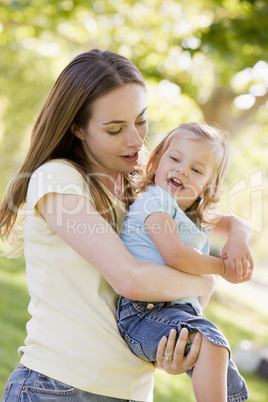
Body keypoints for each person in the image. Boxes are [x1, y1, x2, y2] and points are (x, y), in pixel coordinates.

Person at [0, 50, 252, 402]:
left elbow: (210, 224)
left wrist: (164, 351)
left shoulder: (146, 186)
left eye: (141, 121)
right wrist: (209, 277)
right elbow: (131, 279)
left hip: (129, 391)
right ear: (77, 127)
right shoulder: (57, 178)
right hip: (59, 388)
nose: (135, 140)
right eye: (116, 129)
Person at [117, 122, 254, 402]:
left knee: (226, 374)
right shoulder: (156, 202)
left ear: (208, 186)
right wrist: (222, 268)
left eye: (197, 170)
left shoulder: (190, 213)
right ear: (156, 162)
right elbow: (176, 255)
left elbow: (236, 223)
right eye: (176, 159)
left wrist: (238, 240)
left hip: (174, 312)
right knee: (213, 346)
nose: (182, 170)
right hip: (143, 312)